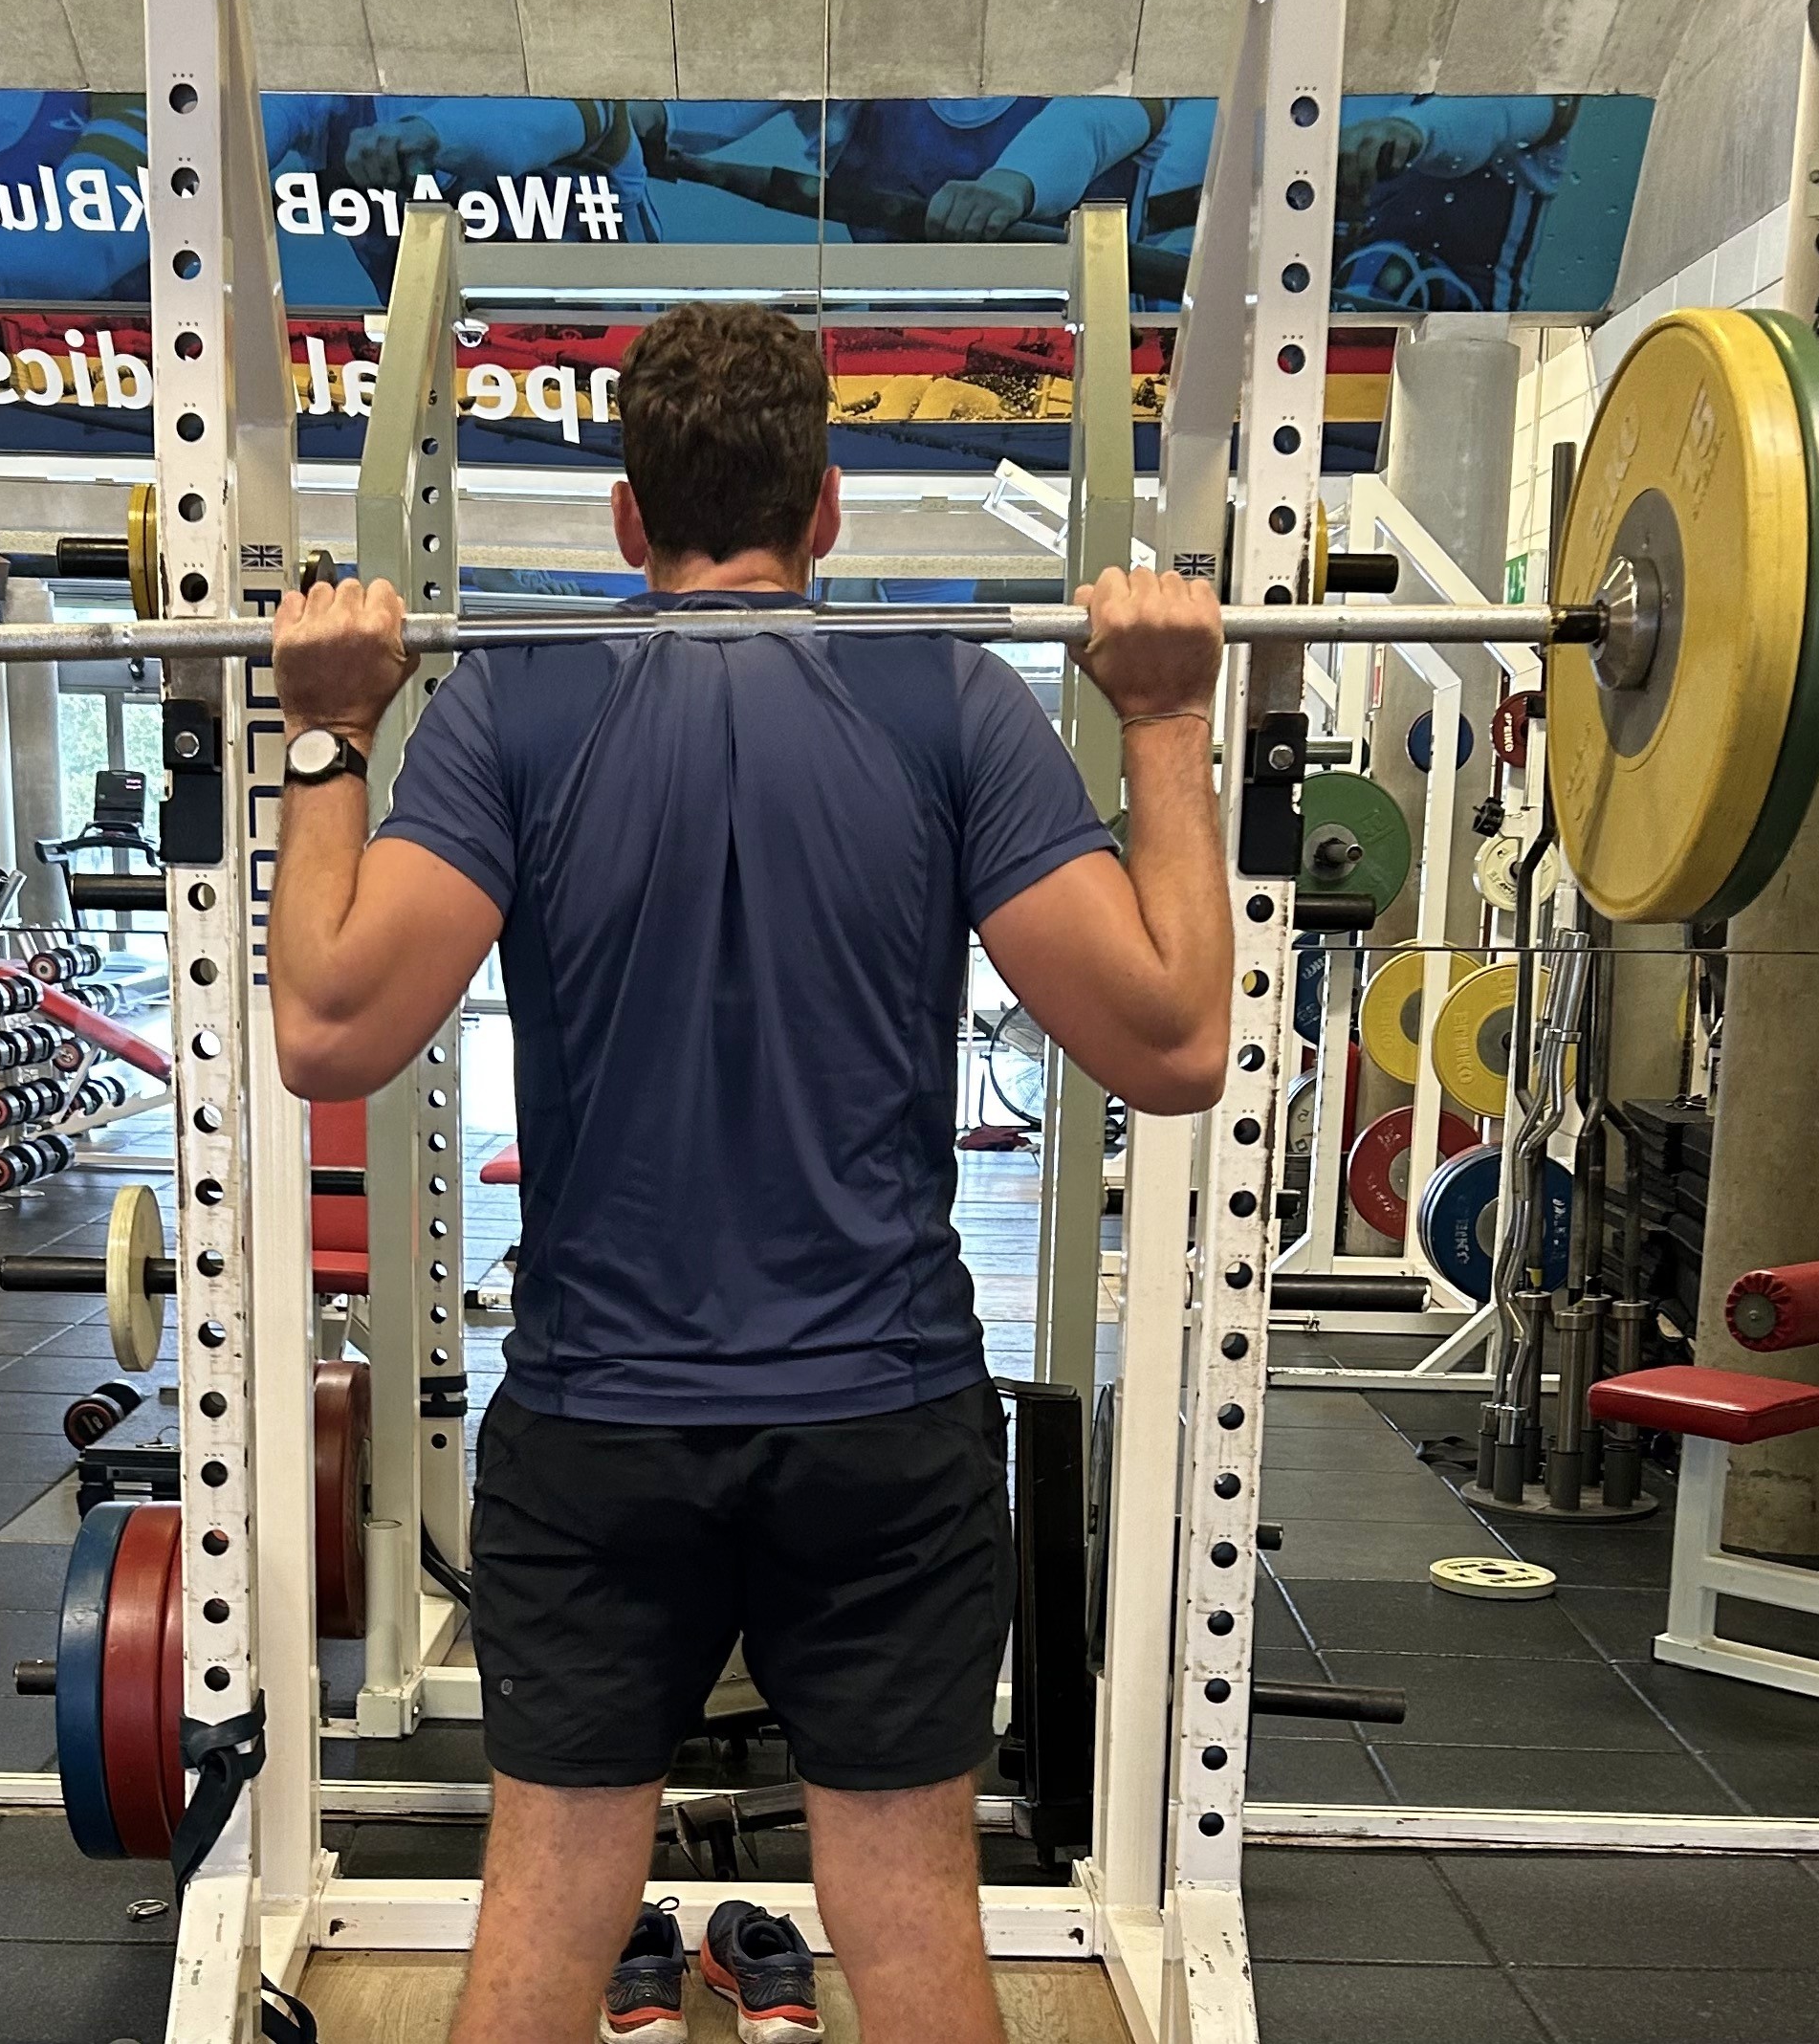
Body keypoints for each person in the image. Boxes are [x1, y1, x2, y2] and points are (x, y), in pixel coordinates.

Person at [266, 301, 1232, 2044]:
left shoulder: (510, 703)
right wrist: (1164, 716)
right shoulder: (949, 698)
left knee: (547, 1899)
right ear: (832, 505)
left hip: (596, 1424)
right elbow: (1170, 1043)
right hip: (886, 1419)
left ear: (627, 522)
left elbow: (329, 1031)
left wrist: (331, 730)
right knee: (912, 1911)